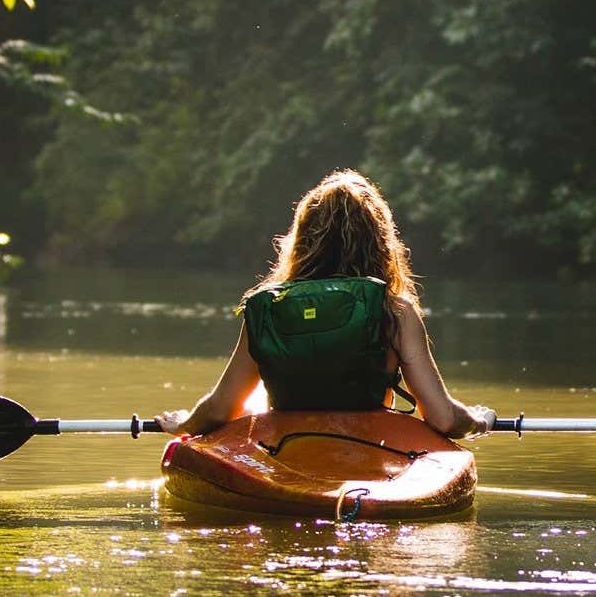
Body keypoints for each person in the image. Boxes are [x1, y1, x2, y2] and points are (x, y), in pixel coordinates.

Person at [154, 170, 493, 438]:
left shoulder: (269, 308)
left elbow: (219, 409)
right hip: (369, 448)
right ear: (380, 242)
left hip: (285, 450)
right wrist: (477, 420)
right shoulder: (396, 312)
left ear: (302, 239)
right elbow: (444, 418)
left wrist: (185, 424)